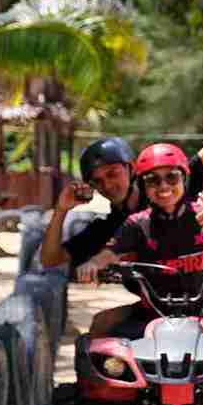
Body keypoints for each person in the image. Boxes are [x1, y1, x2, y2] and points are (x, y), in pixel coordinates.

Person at [77, 46, 203, 337]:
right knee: (101, 343)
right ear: (143, 183)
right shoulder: (136, 223)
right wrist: (92, 264)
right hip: (155, 314)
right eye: (153, 181)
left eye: (171, 178)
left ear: (185, 178)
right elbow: (109, 254)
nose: (164, 187)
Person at [40, 136, 144, 335]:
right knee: (99, 329)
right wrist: (61, 210)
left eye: (113, 174)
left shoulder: (161, 204)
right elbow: (50, 259)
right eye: (97, 181)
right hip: (150, 307)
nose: (107, 185)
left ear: (132, 167)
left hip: (199, 302)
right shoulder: (105, 229)